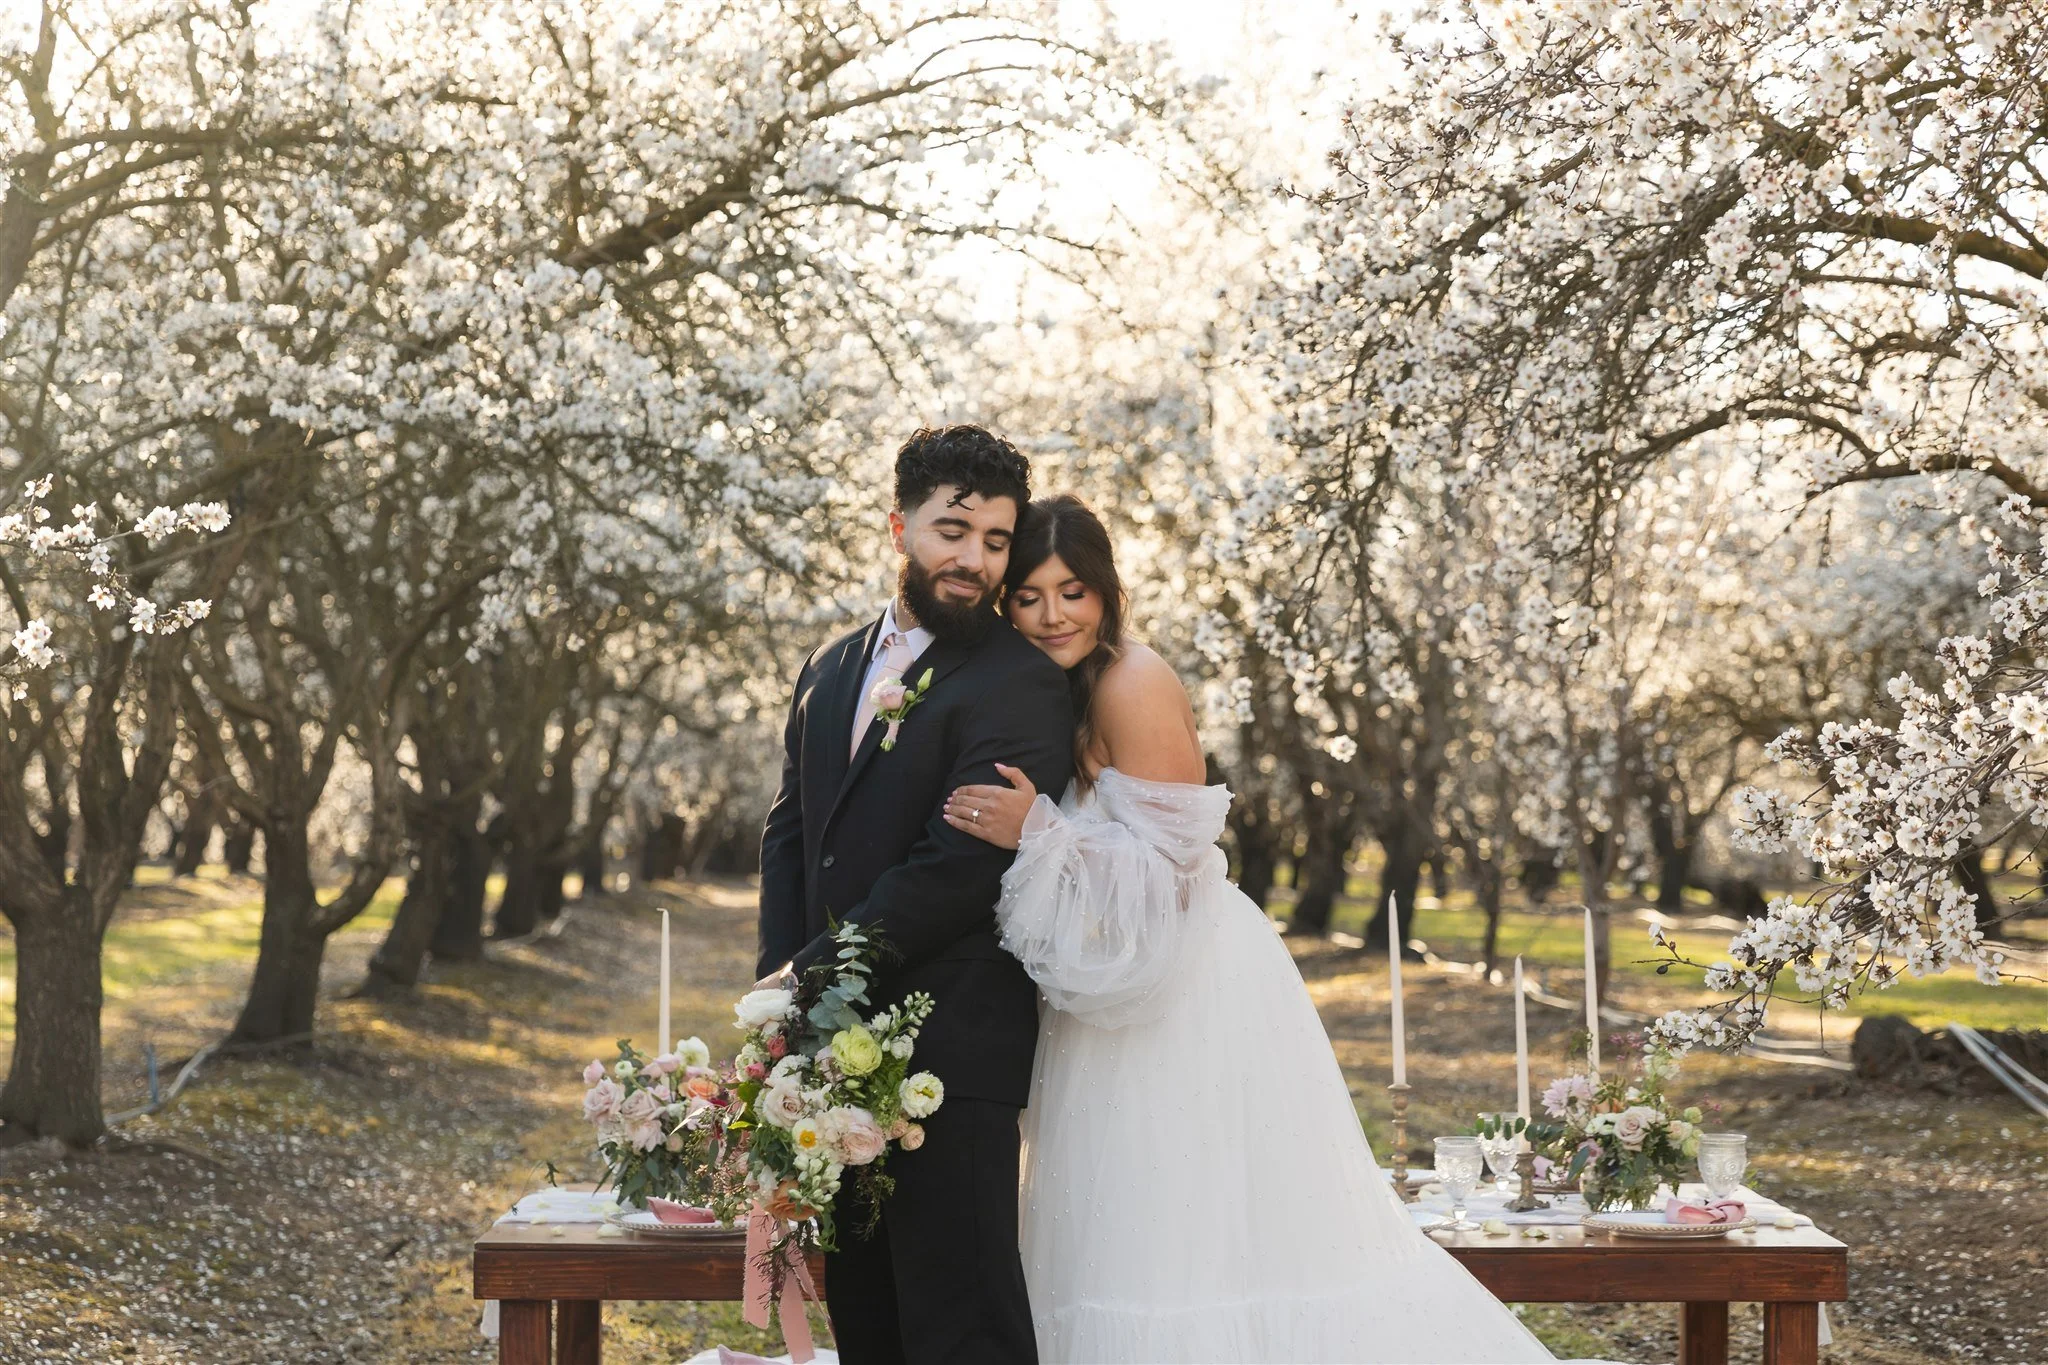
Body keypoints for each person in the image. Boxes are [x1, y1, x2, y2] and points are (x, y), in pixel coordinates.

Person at [942, 494, 1565, 1364]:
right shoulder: (1058, 688)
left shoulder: (1132, 679)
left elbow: (1179, 871)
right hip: (1107, 990)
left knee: (1190, 1226)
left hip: (1186, 987)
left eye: (1073, 591)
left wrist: (1040, 831)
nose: (1051, 615)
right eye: (1031, 596)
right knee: (1114, 1219)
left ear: (1107, 593)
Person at [756, 425, 1073, 1364]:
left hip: (952, 1059)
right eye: (954, 529)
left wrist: (807, 978)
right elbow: (790, 834)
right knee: (871, 1322)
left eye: (997, 539)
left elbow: (956, 869)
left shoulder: (1021, 682)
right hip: (831, 1057)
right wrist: (780, 996)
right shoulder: (830, 665)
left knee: (962, 1325)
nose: (974, 559)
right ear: (900, 527)